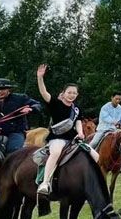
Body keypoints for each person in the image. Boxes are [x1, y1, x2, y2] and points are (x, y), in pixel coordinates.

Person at [36, 65, 86, 194]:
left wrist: (80, 132)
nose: (72, 95)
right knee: (56, 152)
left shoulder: (77, 108)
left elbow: (78, 121)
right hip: (57, 138)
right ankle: (45, 182)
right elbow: (43, 93)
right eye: (69, 92)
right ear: (63, 93)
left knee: (94, 155)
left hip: (73, 138)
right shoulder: (55, 103)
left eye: (74, 93)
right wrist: (40, 78)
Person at [0, 77, 41, 155]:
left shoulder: (20, 98)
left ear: (9, 89)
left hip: (16, 132)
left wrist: (31, 109)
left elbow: (37, 105)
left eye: (2, 89)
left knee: (14, 152)